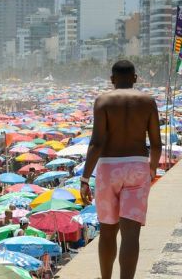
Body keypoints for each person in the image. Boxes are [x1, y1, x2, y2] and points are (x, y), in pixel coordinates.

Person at [81, 60, 161, 279]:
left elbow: (96, 143)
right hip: (137, 167)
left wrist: (85, 178)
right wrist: (152, 169)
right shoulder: (148, 102)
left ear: (112, 79)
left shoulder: (103, 101)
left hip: (108, 168)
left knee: (107, 231)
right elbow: (156, 144)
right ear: (135, 78)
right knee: (131, 234)